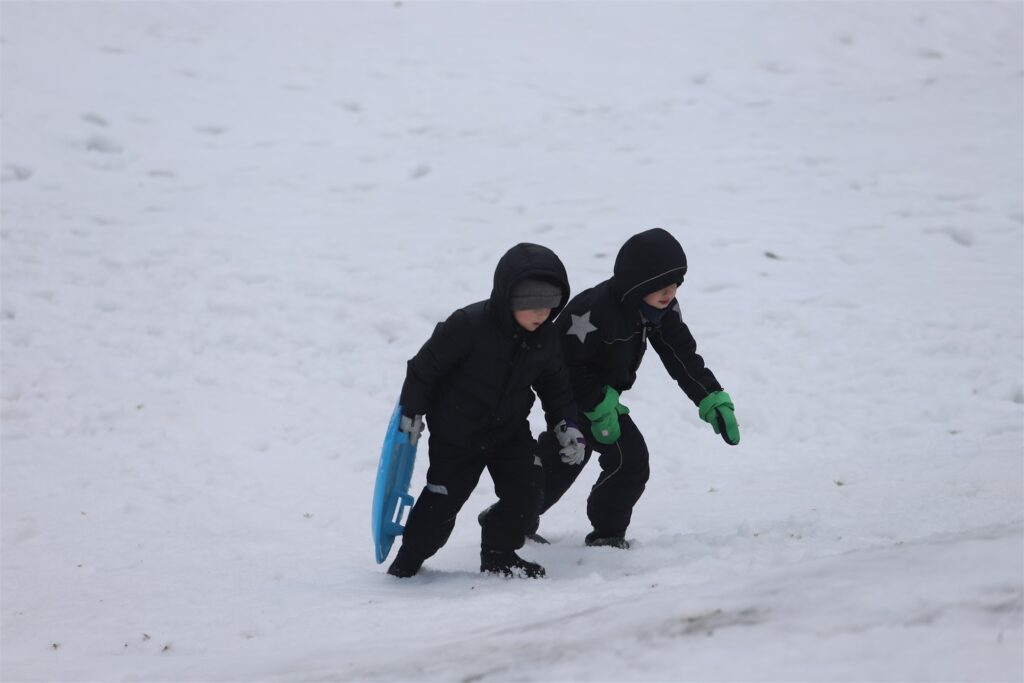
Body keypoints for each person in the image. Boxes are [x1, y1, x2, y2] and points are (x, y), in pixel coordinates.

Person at [387, 243, 587, 579]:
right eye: (532, 306)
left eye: (550, 305)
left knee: (528, 491)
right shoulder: (467, 325)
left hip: (509, 432)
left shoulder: (546, 337)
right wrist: (412, 411)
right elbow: (424, 369)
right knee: (442, 502)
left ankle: (499, 553)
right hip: (457, 433)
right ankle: (407, 561)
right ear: (509, 299)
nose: (542, 314)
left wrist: (565, 424)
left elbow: (555, 386)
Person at [530, 228, 740, 549]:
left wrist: (710, 396)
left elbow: (680, 353)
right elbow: (561, 364)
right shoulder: (591, 312)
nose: (669, 293)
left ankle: (607, 535)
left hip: (604, 401)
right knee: (571, 456)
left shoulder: (659, 309)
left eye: (675, 285)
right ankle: (511, 516)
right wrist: (597, 403)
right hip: (568, 396)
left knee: (629, 461)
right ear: (636, 283)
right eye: (661, 287)